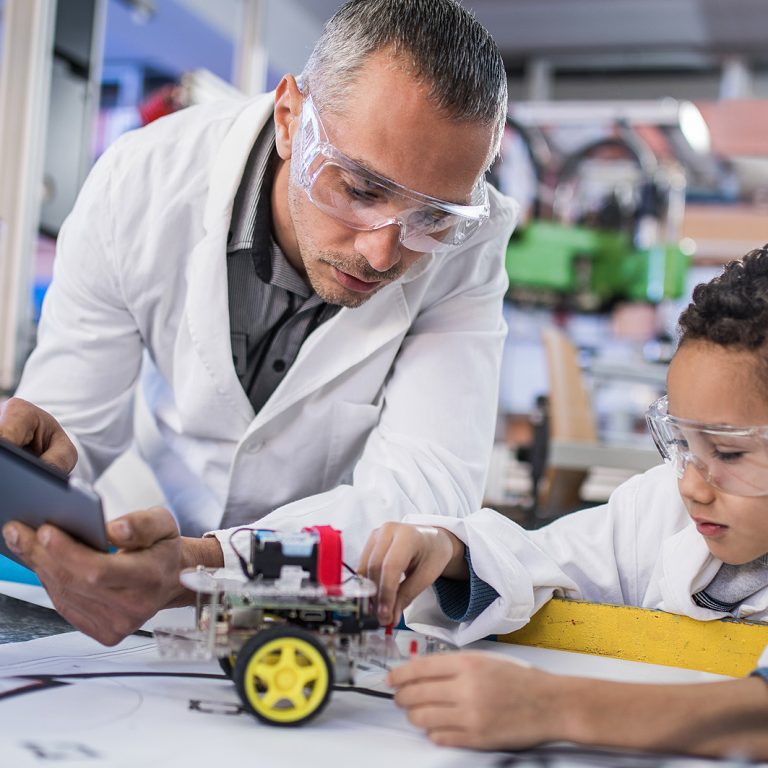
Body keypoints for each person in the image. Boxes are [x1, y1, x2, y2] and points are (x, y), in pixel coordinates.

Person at [0, 0, 518, 645]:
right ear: (290, 119)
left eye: (433, 217)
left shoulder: (471, 244)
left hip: (319, 593)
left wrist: (207, 562)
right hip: (144, 527)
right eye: (359, 190)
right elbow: (70, 423)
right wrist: (36, 473)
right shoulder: (141, 182)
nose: (383, 254)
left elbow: (423, 498)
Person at [358, 246, 768, 758]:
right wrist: (449, 551)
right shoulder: (662, 509)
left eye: (727, 451)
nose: (691, 484)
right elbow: (541, 561)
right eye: (682, 444)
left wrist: (553, 706)